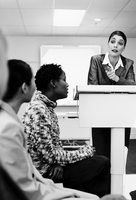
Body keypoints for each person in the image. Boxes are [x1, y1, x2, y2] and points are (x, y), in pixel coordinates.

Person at [0, 59, 99, 200]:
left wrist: (58, 164)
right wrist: (66, 193)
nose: (36, 86)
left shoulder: (43, 109)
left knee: (93, 185)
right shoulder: (20, 120)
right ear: (24, 87)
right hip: (43, 179)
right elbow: (27, 186)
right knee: (101, 164)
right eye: (32, 82)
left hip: (44, 177)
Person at [22, 63, 110, 198]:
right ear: (53, 83)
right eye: (64, 79)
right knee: (103, 162)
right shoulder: (38, 110)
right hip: (45, 173)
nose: (67, 84)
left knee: (97, 185)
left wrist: (59, 163)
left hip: (53, 166)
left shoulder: (46, 108)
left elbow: (53, 148)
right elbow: (50, 156)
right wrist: (85, 151)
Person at [87, 30, 136, 160]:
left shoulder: (129, 63)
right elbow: (93, 86)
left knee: (120, 154)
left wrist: (117, 79)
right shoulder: (96, 60)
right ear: (108, 44)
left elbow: (132, 86)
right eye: (113, 42)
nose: (116, 46)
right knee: (101, 154)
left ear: (124, 47)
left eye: (120, 43)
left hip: (122, 114)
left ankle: (119, 180)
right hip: (100, 113)